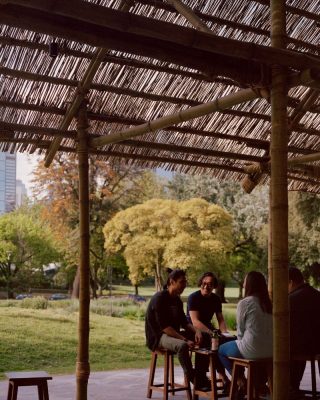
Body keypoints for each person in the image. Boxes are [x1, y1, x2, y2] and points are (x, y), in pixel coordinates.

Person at [145, 269, 210, 390]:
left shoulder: (177, 300)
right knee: (183, 346)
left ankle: (201, 375)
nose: (184, 285)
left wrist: (197, 331)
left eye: (185, 282)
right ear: (172, 281)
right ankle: (194, 379)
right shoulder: (160, 298)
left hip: (173, 334)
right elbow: (165, 328)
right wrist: (184, 339)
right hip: (158, 336)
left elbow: (184, 323)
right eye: (181, 282)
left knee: (205, 337)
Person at [218, 271, 272, 396]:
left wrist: (239, 342)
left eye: (245, 282)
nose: (243, 284)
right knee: (245, 349)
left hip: (252, 350)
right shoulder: (270, 303)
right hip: (271, 350)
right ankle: (256, 384)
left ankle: (241, 381)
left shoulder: (245, 303)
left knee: (221, 350)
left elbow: (240, 331)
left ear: (250, 285)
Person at [187, 272, 231, 391]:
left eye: (210, 284)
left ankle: (225, 379)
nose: (206, 286)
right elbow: (195, 321)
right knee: (210, 342)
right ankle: (201, 379)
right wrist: (212, 334)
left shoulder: (216, 299)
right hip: (193, 329)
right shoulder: (193, 297)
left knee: (224, 342)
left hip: (208, 329)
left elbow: (220, 319)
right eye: (204, 283)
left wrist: (224, 333)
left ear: (214, 286)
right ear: (200, 283)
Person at [289, 266, 320, 395]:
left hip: (300, 347)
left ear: (290, 282)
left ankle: (291, 386)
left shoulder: (290, 300)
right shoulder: (317, 295)